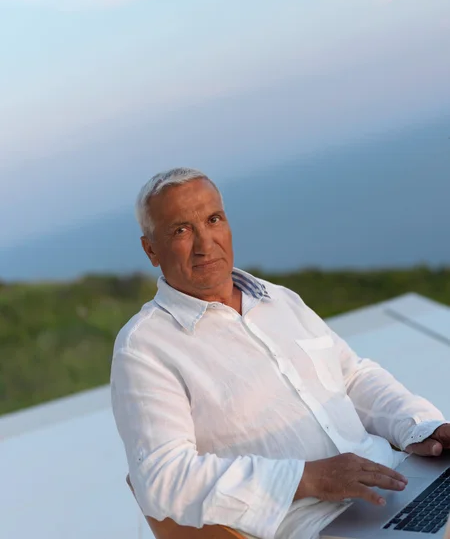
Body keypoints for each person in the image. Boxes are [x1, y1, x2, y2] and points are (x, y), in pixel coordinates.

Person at [110, 167, 450, 539]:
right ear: (151, 249)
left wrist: (421, 427)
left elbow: (352, 377)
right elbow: (163, 479)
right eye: (181, 230)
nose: (205, 244)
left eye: (213, 219)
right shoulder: (144, 348)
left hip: (403, 479)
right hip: (324, 523)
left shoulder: (280, 300)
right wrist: (306, 478)